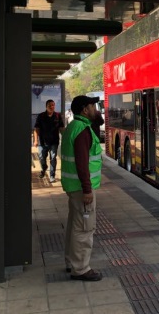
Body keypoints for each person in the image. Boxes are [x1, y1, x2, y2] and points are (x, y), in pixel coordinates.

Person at [60, 95, 103, 281]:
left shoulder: (73, 126)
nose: (96, 108)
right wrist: (87, 189)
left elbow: (99, 119)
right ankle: (81, 268)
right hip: (81, 189)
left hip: (73, 187)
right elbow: (82, 163)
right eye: (93, 106)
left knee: (74, 225)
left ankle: (71, 262)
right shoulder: (83, 130)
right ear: (85, 110)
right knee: (85, 228)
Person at [34, 100, 65, 183]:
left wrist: (66, 137)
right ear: (46, 106)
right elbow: (36, 129)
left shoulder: (58, 116)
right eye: (50, 105)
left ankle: (52, 176)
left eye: (53, 105)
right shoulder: (41, 116)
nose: (52, 107)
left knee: (53, 158)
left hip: (54, 142)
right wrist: (36, 140)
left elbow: (62, 129)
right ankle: (44, 168)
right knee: (41, 158)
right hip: (42, 142)